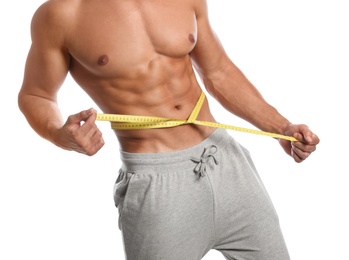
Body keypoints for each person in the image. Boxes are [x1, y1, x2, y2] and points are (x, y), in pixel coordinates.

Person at [18, 0, 319, 259]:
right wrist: (59, 134)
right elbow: (36, 95)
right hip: (157, 186)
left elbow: (219, 72)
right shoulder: (61, 15)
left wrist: (282, 127)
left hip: (226, 162)